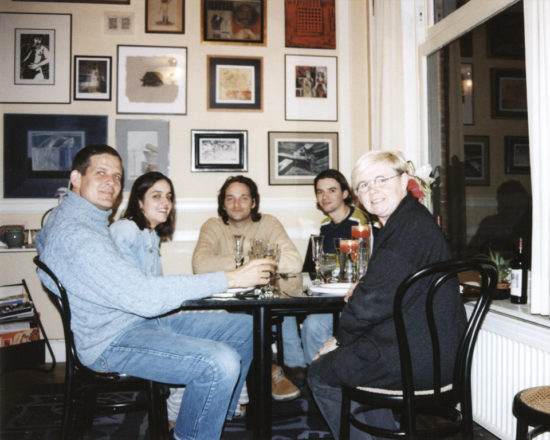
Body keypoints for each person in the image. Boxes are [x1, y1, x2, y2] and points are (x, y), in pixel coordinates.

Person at [35, 145, 277, 440]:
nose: (111, 183)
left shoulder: (79, 220)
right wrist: (231, 278)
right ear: (76, 177)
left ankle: (209, 415)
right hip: (110, 340)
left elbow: (47, 242)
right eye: (101, 173)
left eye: (117, 176)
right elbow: (145, 297)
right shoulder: (79, 234)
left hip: (133, 320)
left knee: (246, 326)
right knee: (219, 362)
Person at [307, 151, 467, 438]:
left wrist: (340, 340)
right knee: (346, 364)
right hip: (428, 350)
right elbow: (384, 293)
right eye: (364, 185)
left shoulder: (406, 231)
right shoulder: (410, 221)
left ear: (404, 180)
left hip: (417, 360)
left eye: (381, 179)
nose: (373, 190)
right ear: (357, 196)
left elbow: (369, 305)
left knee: (321, 373)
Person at [192, 175, 306, 401]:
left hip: (268, 299)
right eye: (230, 198)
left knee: (283, 316)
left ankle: (274, 370)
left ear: (253, 202)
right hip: (229, 304)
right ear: (223, 204)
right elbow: (199, 265)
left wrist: (243, 262)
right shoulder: (213, 226)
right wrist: (251, 261)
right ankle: (267, 370)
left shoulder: (268, 223)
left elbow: (294, 261)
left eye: (244, 198)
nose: (237, 204)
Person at [301, 169, 370, 364]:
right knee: (294, 320)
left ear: (345, 194)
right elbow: (313, 267)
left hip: (351, 299)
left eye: (332, 190)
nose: (325, 196)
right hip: (329, 294)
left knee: (313, 325)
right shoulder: (324, 225)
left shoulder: (359, 222)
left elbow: (356, 266)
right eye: (320, 191)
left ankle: (320, 378)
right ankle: (304, 372)